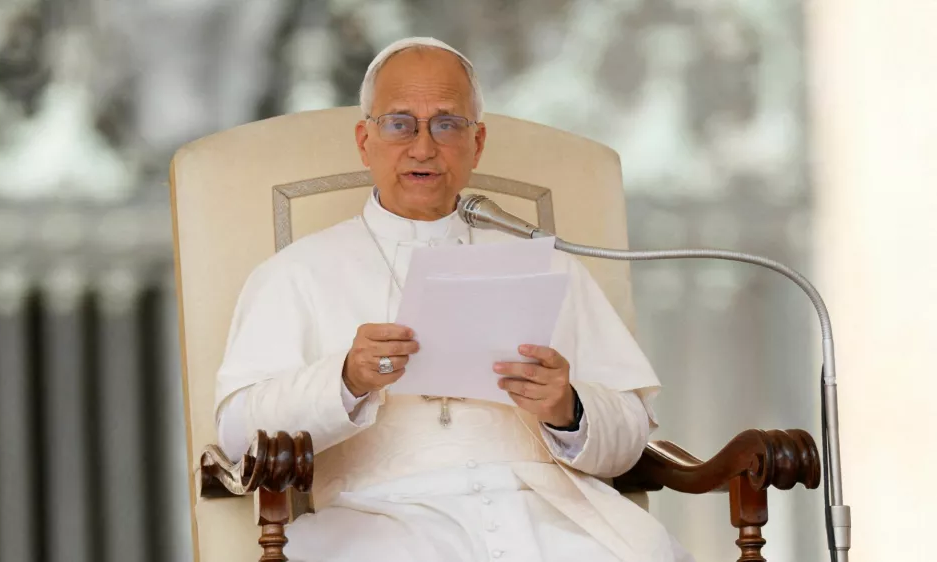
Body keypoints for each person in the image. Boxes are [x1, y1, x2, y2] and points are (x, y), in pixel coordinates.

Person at [215, 36, 694, 562]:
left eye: (447, 124)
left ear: (477, 143)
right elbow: (240, 437)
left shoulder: (546, 262)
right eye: (400, 123)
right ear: (364, 139)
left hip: (554, 519)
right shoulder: (295, 274)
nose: (423, 147)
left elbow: (628, 435)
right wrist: (345, 380)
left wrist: (568, 408)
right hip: (378, 524)